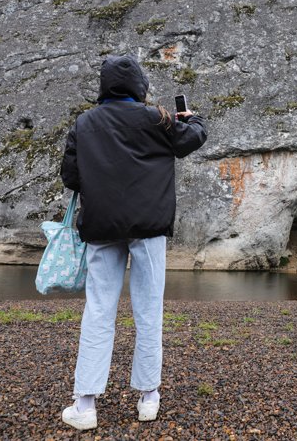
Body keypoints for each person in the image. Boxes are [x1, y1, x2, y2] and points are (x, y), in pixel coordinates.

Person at [59, 54, 207, 430]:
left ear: (104, 86)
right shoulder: (158, 117)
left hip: (101, 226)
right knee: (148, 310)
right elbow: (193, 139)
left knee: (98, 311)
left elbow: (71, 177)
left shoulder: (85, 122)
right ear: (139, 85)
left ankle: (86, 404)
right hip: (149, 225)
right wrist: (193, 119)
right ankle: (148, 398)